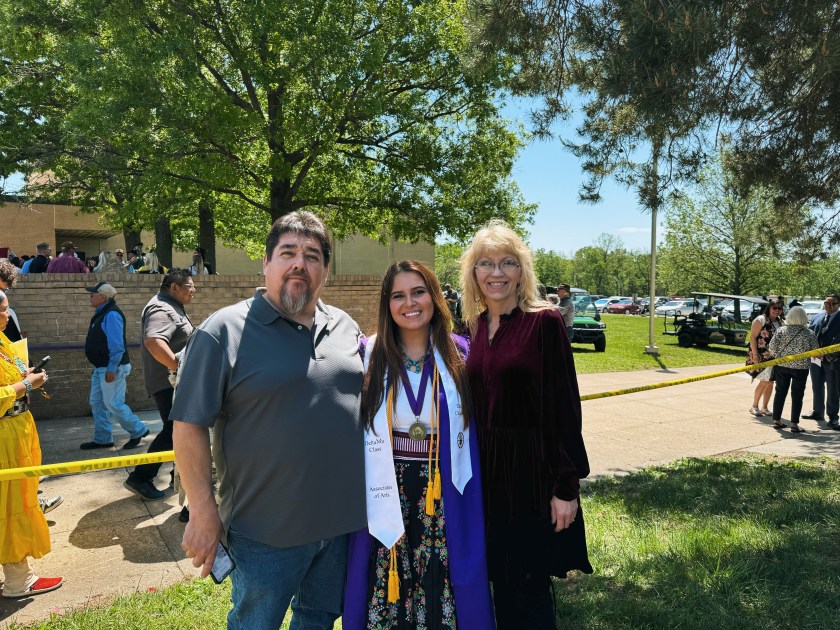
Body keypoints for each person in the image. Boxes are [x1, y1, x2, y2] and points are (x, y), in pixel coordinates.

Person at [172, 211, 366, 629]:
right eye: (288, 252)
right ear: (266, 262)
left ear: (326, 271)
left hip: (341, 526)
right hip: (264, 532)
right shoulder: (222, 331)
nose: (300, 263)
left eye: (312, 255)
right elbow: (188, 425)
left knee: (317, 620)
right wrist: (203, 511)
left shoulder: (346, 328)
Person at [344, 261, 494, 629]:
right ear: (387, 304)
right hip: (385, 486)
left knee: (442, 576)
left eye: (418, 292)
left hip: (441, 489)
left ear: (434, 297)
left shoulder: (461, 353)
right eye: (398, 295)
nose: (409, 303)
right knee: (386, 576)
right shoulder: (369, 354)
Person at [460, 221, 592, 629]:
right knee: (498, 583)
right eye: (485, 263)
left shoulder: (544, 322)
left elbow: (565, 408)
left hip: (531, 476)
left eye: (507, 263)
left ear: (522, 271)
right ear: (473, 273)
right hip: (485, 475)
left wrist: (565, 487)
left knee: (529, 589)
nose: (496, 273)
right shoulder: (474, 329)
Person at [0, 289, 64, 598]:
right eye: (2, 310)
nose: (7, 316)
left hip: (17, 431)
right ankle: (18, 581)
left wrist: (26, 376)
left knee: (18, 500)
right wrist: (26, 384)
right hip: (4, 438)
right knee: (11, 505)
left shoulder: (2, 341)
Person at [123, 269, 195, 503]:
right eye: (190, 286)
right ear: (174, 287)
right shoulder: (161, 308)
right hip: (169, 383)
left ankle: (179, 474)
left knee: (178, 431)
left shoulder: (171, 306)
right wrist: (177, 368)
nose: (193, 290)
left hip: (171, 382)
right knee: (174, 431)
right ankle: (141, 477)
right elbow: (154, 341)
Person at [80, 282, 150, 450]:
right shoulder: (102, 313)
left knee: (113, 404)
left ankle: (138, 430)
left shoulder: (111, 315)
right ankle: (102, 439)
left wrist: (111, 368)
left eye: (93, 294)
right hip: (101, 367)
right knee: (97, 402)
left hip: (112, 368)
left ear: (102, 297)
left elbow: (117, 346)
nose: (90, 297)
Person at [767, 306, 818, 433]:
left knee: (780, 393)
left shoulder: (781, 330)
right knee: (797, 395)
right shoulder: (809, 333)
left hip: (782, 366)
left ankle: (776, 420)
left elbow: (772, 348)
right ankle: (794, 424)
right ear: (804, 318)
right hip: (801, 368)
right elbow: (816, 352)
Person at [802, 294, 840, 430]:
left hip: (833, 360)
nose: (828, 306)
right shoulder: (817, 317)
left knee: (832, 389)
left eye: (832, 304)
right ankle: (817, 412)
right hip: (816, 360)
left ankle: (833, 417)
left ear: (838, 305)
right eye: (826, 303)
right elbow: (810, 335)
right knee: (817, 386)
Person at [748, 298, 784, 417]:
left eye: (779, 308)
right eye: (775, 308)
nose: (777, 310)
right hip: (761, 355)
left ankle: (764, 407)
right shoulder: (761, 319)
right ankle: (754, 406)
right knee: (764, 381)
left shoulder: (780, 322)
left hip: (775, 357)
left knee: (771, 382)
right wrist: (754, 355)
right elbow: (752, 337)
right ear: (769, 308)